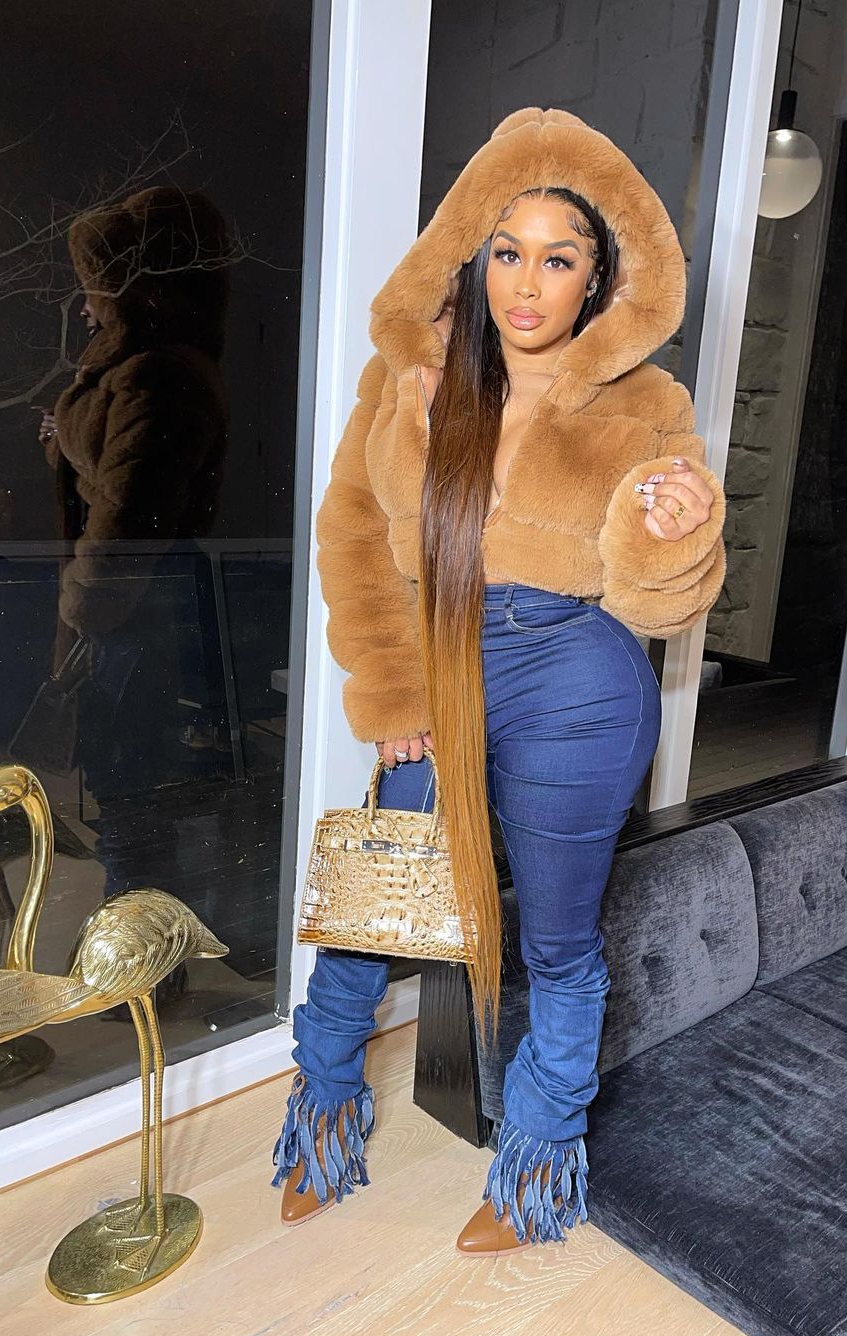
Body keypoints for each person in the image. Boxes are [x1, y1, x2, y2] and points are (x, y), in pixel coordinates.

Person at [273, 107, 727, 1254]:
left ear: (597, 280)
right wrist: (394, 692)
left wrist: (679, 532)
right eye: (508, 252)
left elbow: (656, 604)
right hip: (439, 667)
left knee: (561, 946)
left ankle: (533, 1167)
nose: (528, 282)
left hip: (578, 678)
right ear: (473, 259)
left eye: (559, 259)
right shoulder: (411, 381)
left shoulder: (648, 406)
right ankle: (322, 1120)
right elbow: (354, 540)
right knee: (367, 917)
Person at [36, 186, 231, 968]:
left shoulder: (158, 376)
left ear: (136, 289)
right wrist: (68, 442)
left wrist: (85, 605)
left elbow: (130, 516)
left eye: (96, 287)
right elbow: (119, 480)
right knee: (128, 795)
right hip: (138, 616)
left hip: (137, 619)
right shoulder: (145, 369)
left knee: (133, 797)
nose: (85, 306)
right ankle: (137, 957)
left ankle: (141, 967)